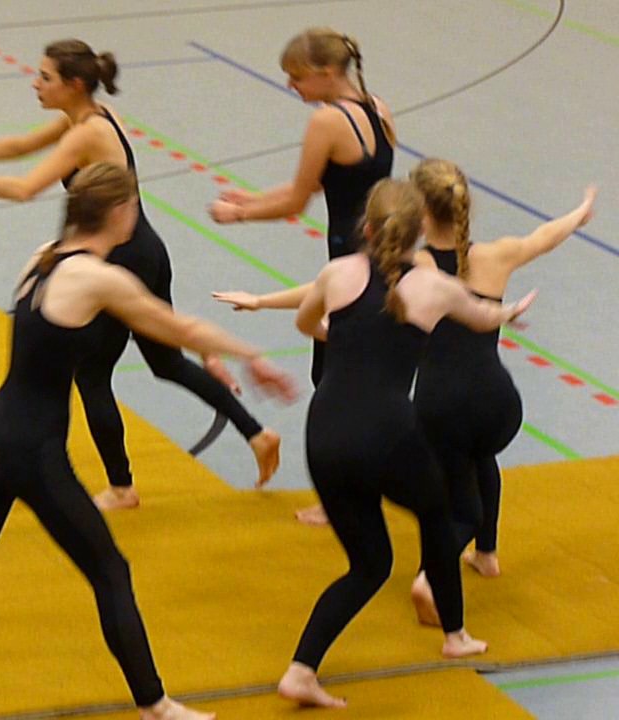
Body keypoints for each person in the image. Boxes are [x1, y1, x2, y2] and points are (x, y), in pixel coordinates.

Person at [0, 163, 297, 720]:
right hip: (30, 448)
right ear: (119, 213)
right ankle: (156, 705)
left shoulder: (44, 257)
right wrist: (250, 355)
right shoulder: (97, 276)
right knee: (110, 570)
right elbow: (176, 329)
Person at [0, 38, 281, 510]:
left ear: (75, 84)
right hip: (143, 249)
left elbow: (26, 188)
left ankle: (123, 488)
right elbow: (24, 144)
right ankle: (256, 433)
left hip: (123, 258)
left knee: (92, 375)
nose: (35, 83)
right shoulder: (89, 118)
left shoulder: (87, 134)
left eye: (45, 77)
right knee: (164, 363)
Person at [278, 179, 535, 708]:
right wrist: (510, 312)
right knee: (439, 517)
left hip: (324, 434)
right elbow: (483, 316)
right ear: (419, 234)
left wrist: (353, 338)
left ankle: (302, 670)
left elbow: (309, 322)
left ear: (366, 228)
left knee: (368, 565)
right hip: (387, 434)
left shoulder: (337, 272)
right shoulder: (434, 285)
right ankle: (455, 636)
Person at [209, 28, 396, 524]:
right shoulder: (377, 109)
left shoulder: (328, 122)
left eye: (296, 78)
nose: (292, 87)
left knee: (335, 384)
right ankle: (364, 488)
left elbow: (296, 202)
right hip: (382, 260)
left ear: (326, 72)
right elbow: (319, 186)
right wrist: (250, 198)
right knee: (362, 379)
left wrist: (239, 217)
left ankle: (346, 500)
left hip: (348, 266)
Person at [407, 160, 596, 615]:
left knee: (458, 505)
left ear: (420, 213)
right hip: (498, 403)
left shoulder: (416, 264)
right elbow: (544, 238)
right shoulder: (495, 255)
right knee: (481, 456)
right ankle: (486, 555)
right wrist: (580, 211)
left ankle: (431, 574)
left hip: (440, 407)